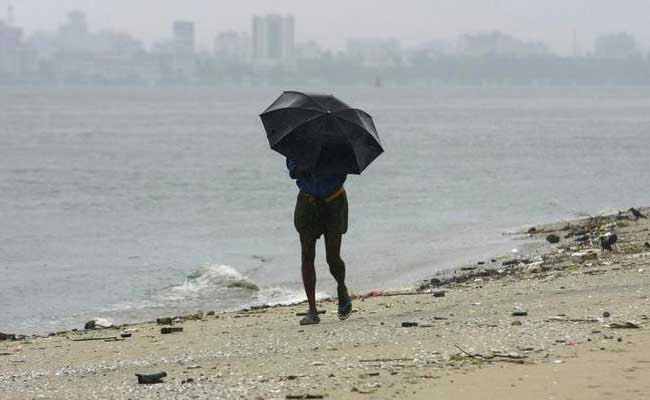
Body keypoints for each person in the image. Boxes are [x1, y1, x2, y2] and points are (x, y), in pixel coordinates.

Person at [286, 158, 353, 325]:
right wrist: (309, 162)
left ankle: (341, 287)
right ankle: (312, 310)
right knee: (307, 255)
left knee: (333, 257)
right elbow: (293, 172)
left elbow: (344, 171)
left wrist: (325, 163)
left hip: (334, 201)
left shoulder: (339, 143)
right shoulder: (298, 144)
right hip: (308, 202)